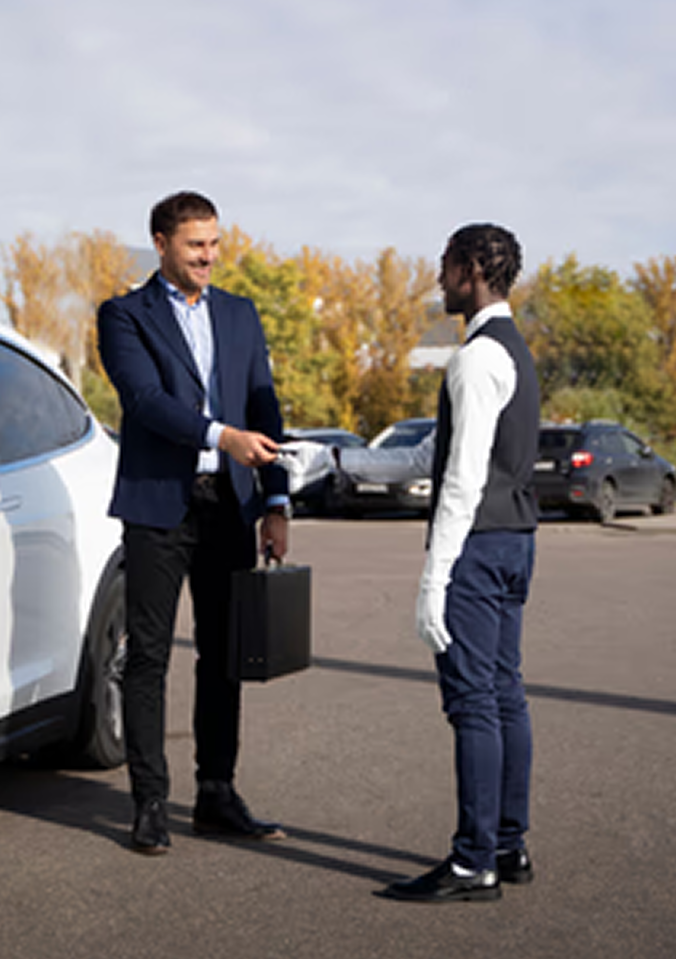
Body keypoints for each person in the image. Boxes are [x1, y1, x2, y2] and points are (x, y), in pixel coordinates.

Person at [323, 223, 540, 901]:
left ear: (472, 269)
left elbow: (461, 481)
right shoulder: (511, 351)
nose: (438, 278)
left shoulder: (475, 360)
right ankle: (507, 844)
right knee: (503, 692)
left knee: (474, 701)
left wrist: (434, 576)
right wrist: (332, 457)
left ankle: (474, 860)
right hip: (514, 540)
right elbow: (427, 458)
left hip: (476, 549)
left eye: (446, 266)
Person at [96, 191, 292, 855]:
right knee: (148, 656)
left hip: (230, 506)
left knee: (224, 656)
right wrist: (219, 434)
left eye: (214, 243)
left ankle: (215, 793)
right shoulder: (123, 315)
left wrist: (274, 500)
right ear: (159, 242)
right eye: (194, 245)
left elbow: (264, 404)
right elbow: (144, 401)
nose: (208, 256)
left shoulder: (239, 314)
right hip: (157, 507)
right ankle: (150, 800)